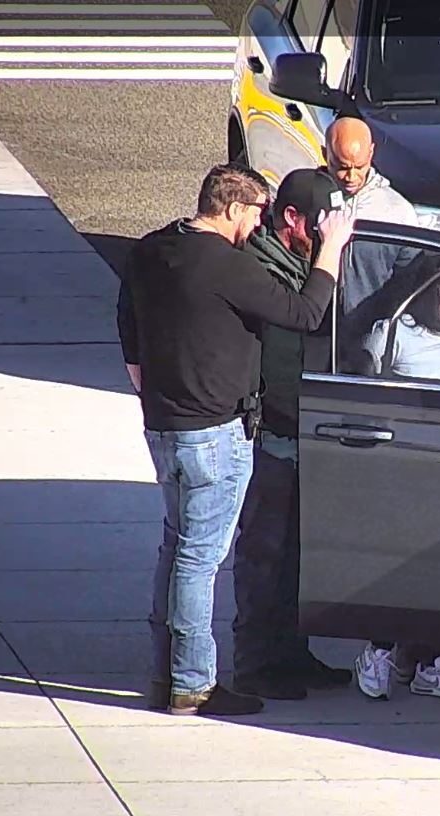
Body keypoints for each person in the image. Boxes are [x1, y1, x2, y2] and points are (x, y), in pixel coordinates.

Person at [117, 161, 353, 717]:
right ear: (231, 208)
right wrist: (332, 249)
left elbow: (125, 312)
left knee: (176, 552)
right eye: (255, 212)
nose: (259, 223)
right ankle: (193, 683)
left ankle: (166, 671)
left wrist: (139, 371)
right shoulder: (229, 266)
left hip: (166, 429)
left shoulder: (153, 249)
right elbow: (306, 311)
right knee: (199, 562)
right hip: (215, 433)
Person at [230, 168, 354, 700]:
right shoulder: (261, 270)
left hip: (305, 436)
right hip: (272, 436)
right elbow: (287, 352)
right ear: (291, 220)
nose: (328, 238)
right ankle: (255, 663)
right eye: (320, 225)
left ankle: (291, 653)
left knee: (297, 557)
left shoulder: (305, 262)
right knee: (264, 556)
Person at [351, 262, 440, 703]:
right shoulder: (393, 334)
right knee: (400, 562)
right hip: (405, 468)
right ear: (424, 293)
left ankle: (429, 661)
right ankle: (378, 650)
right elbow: (358, 386)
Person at [319, 117, 422, 333]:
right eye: (342, 167)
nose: (351, 176)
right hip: (315, 331)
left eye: (360, 167)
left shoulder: (396, 211)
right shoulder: (309, 196)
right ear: (324, 153)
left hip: (372, 332)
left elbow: (411, 277)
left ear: (372, 153)